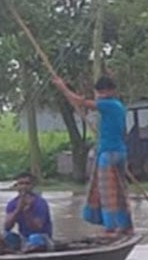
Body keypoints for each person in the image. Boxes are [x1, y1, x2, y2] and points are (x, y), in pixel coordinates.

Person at [50, 74, 134, 238]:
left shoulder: (107, 104)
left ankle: (111, 228)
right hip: (120, 152)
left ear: (105, 91)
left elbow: (80, 102)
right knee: (120, 191)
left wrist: (62, 87)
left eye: (99, 92)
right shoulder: (118, 106)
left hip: (108, 153)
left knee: (107, 192)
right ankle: (125, 226)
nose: (98, 95)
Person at [0, 171, 53, 252]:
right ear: (17, 186)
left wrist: (27, 212)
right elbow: (7, 227)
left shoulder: (40, 203)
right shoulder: (12, 203)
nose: (24, 186)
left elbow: (37, 228)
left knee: (34, 238)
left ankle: (24, 252)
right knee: (2, 236)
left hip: (42, 238)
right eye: (21, 184)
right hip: (24, 238)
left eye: (27, 184)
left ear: (32, 186)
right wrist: (18, 210)